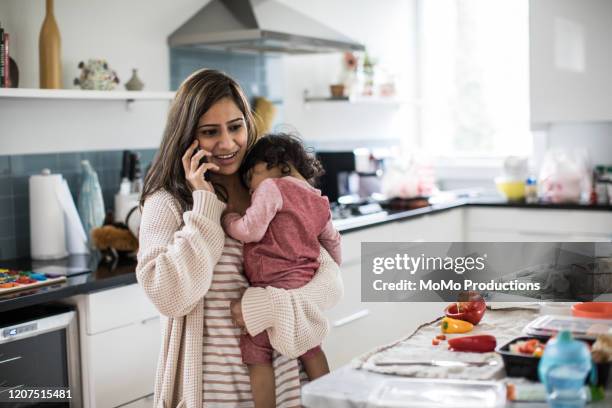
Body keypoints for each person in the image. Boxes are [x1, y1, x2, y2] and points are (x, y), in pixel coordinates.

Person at [136, 68, 343, 408]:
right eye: (209, 132)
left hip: (289, 385)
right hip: (214, 394)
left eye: (235, 127)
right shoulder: (168, 202)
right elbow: (169, 297)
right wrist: (203, 205)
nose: (227, 143)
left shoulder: (268, 191)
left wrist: (269, 305)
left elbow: (331, 280)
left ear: (248, 123)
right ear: (187, 136)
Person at [222, 133, 342, 407]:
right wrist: (332, 266)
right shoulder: (318, 199)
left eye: (251, 176)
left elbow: (251, 230)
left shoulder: (271, 188)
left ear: (274, 163)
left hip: (272, 285)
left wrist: (230, 220)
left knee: (257, 352)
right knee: (311, 347)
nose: (251, 189)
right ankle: (330, 400)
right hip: (304, 282)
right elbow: (332, 242)